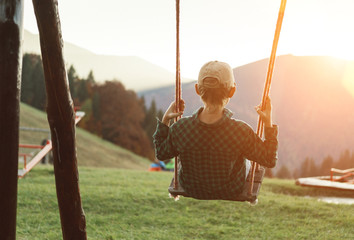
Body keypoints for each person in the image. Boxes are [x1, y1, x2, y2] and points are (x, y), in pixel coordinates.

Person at [153, 60, 278, 200]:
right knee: (247, 160)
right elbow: (269, 159)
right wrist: (268, 123)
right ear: (232, 91)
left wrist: (165, 120)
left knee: (187, 151)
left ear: (197, 89)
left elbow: (161, 153)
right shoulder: (240, 131)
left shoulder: (181, 128)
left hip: (192, 188)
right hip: (229, 189)